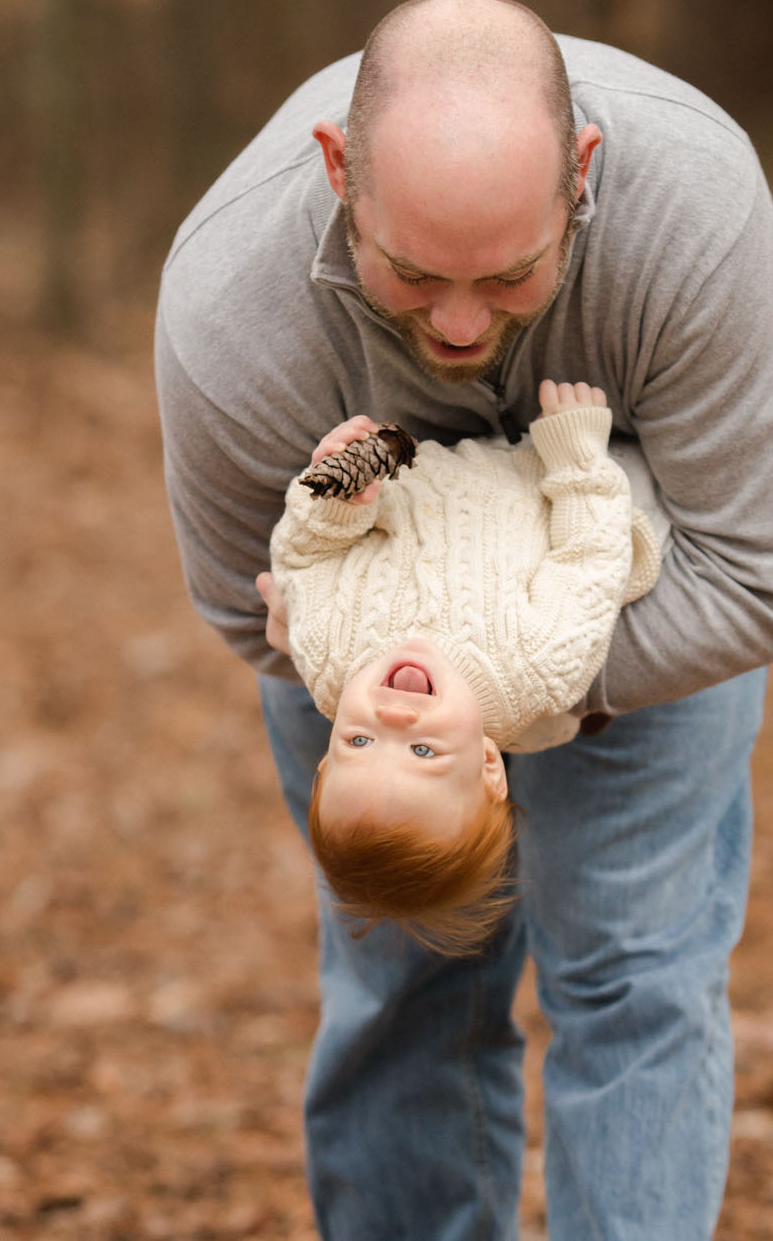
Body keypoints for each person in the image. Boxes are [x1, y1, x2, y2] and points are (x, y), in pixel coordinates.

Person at [156, 0, 773, 1238]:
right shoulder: (228, 306)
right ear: (336, 173)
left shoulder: (690, 206)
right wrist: (385, 698)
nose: (458, 324)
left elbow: (762, 575)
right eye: (410, 275)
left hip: (644, 612)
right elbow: (244, 603)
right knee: (402, 969)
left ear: (581, 176)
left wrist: (528, 686)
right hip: (367, 672)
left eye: (509, 274)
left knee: (631, 973)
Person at [271, 379, 662, 955]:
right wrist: (578, 456)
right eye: (423, 753)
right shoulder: (538, 665)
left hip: (418, 462)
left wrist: (337, 492)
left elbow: (304, 558)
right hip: (539, 468)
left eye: (358, 740)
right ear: (487, 766)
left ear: (325, 758)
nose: (394, 717)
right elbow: (589, 559)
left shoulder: (326, 656)